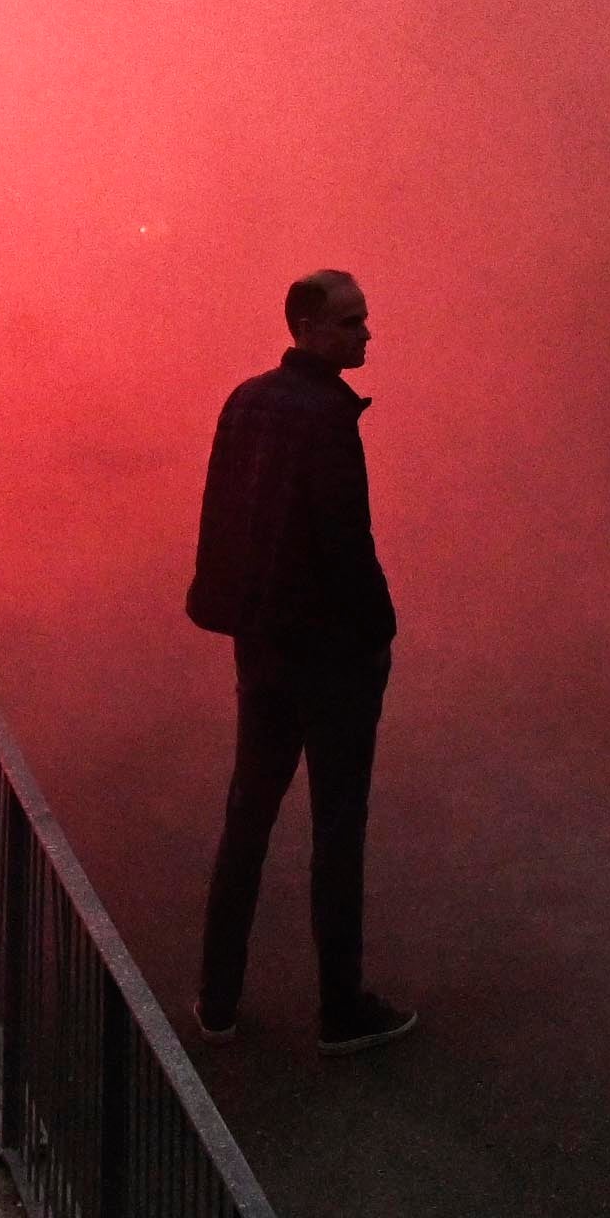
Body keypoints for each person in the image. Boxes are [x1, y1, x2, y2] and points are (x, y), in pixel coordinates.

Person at [189, 266, 413, 1054]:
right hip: (332, 655)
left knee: (247, 814)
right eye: (352, 322)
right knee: (337, 826)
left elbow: (221, 514)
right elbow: (347, 541)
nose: (366, 333)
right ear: (311, 331)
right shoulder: (328, 419)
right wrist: (379, 628)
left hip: (265, 646)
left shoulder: (246, 401)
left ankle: (216, 1000)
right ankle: (340, 1006)